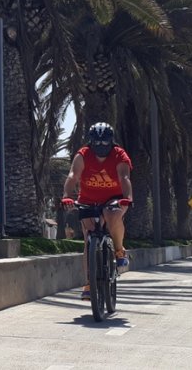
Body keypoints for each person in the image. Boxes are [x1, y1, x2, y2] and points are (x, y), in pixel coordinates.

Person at [61, 122, 133, 301]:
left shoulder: (119, 155)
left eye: (105, 143)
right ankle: (88, 283)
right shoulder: (83, 155)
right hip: (88, 199)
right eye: (97, 143)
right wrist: (66, 196)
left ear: (111, 141)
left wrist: (128, 198)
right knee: (88, 239)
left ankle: (118, 250)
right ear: (91, 142)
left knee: (112, 215)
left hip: (114, 198)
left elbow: (124, 177)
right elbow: (73, 176)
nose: (101, 147)